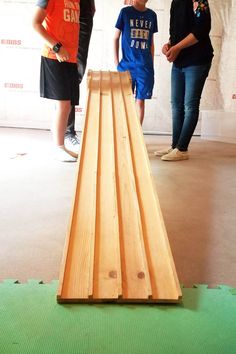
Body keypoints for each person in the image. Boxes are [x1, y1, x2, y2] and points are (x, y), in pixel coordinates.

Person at [155, 0, 214, 161]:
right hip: (180, 61)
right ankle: (175, 146)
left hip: (197, 59)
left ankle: (182, 148)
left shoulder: (199, 0)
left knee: (190, 105)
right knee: (176, 105)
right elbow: (176, 31)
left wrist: (177, 47)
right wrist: (169, 45)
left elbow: (201, 29)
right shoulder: (176, 2)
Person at [32, 0, 80, 162]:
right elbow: (35, 23)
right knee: (63, 104)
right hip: (54, 56)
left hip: (71, 59)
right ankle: (58, 147)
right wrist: (57, 47)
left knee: (67, 105)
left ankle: (61, 147)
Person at [113, 0, 158, 125]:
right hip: (127, 66)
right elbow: (116, 38)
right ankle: (124, 132)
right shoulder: (125, 12)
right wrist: (117, 63)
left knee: (140, 101)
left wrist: (151, 63)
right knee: (124, 101)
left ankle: (137, 134)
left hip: (145, 67)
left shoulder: (152, 15)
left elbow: (151, 42)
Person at [65, 0, 95, 153]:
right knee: (68, 77)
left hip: (84, 13)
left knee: (76, 75)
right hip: (67, 9)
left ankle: (67, 131)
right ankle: (67, 132)